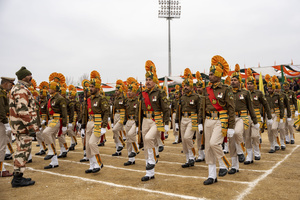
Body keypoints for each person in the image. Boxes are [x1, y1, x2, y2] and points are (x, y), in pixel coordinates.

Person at [199, 55, 234, 185]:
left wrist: (231, 126)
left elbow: (231, 108)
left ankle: (224, 164)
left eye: (212, 74)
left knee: (214, 143)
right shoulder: (206, 89)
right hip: (208, 119)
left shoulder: (226, 89)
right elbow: (202, 107)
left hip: (221, 119)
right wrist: (200, 122)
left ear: (218, 75)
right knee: (208, 148)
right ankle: (212, 176)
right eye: (209, 74)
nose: (210, 76)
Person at [140, 60, 169, 181]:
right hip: (145, 120)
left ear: (155, 81)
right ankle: (149, 173)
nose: (147, 82)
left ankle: (152, 160)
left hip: (156, 120)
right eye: (146, 80)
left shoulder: (160, 92)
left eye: (150, 80)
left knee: (148, 139)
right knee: (146, 146)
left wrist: (166, 124)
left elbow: (166, 109)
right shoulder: (143, 93)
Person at [9, 67, 38, 187]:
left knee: (22, 151)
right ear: (24, 77)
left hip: (20, 127)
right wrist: (31, 127)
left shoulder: (18, 88)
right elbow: (23, 111)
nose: (31, 77)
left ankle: (19, 175)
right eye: (29, 75)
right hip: (23, 127)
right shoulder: (21, 89)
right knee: (23, 151)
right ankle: (17, 179)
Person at [229, 65, 259, 171]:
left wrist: (255, 121)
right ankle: (234, 166)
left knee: (238, 133)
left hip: (243, 118)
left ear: (239, 81)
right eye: (231, 80)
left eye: (235, 80)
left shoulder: (245, 93)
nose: (233, 82)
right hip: (231, 118)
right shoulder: (228, 93)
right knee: (231, 143)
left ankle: (242, 152)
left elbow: (251, 108)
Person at [81, 71, 108, 173]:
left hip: (97, 122)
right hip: (89, 122)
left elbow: (106, 112)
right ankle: (92, 165)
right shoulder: (88, 99)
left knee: (92, 143)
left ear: (97, 88)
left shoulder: (102, 99)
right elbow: (85, 114)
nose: (90, 88)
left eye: (92, 87)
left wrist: (104, 126)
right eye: (90, 87)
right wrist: (83, 126)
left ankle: (98, 163)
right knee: (87, 145)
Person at [175, 68, 201, 168]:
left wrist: (199, 122)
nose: (185, 87)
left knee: (187, 137)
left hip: (193, 118)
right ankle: (187, 160)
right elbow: (178, 110)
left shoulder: (196, 97)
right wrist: (176, 121)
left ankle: (192, 156)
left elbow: (199, 110)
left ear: (191, 87)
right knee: (183, 141)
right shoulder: (182, 97)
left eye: (187, 86)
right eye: (184, 86)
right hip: (183, 119)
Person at [42, 72, 68, 169]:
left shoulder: (60, 99)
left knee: (45, 133)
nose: (48, 89)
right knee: (51, 139)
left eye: (50, 87)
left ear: (54, 89)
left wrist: (64, 124)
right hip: (51, 120)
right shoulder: (50, 98)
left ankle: (52, 151)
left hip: (57, 120)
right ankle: (54, 162)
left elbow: (64, 112)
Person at [246, 69, 272, 160]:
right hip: (245, 116)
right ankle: (249, 156)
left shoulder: (259, 93)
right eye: (248, 84)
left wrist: (269, 117)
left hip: (256, 116)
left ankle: (257, 152)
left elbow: (266, 105)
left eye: (251, 84)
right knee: (247, 137)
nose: (249, 85)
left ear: (254, 84)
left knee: (255, 135)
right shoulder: (244, 93)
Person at [265, 75, 284, 153]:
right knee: (269, 131)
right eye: (268, 88)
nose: (269, 90)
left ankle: (277, 142)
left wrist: (282, 117)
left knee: (273, 128)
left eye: (271, 88)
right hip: (268, 115)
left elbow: (282, 106)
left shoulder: (278, 96)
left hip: (276, 114)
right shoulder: (265, 96)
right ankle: (273, 146)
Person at [123, 77, 140, 166]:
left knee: (130, 135)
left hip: (134, 121)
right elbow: (126, 111)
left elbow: (138, 112)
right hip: (128, 121)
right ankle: (131, 159)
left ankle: (136, 149)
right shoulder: (127, 101)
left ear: (134, 92)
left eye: (130, 91)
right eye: (128, 91)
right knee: (128, 141)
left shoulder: (137, 101)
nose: (128, 92)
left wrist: (137, 123)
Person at [0, 77, 15, 177]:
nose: (11, 86)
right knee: (1, 146)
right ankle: (1, 169)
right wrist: (6, 123)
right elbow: (1, 109)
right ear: (5, 84)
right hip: (1, 121)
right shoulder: (1, 93)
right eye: (10, 84)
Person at [111, 80, 127, 156]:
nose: (116, 92)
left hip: (121, 115)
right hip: (116, 115)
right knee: (115, 135)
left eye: (117, 90)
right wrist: (112, 120)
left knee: (115, 130)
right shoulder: (116, 98)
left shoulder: (124, 98)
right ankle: (118, 151)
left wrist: (125, 118)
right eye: (115, 90)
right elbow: (113, 109)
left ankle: (121, 144)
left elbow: (127, 108)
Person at [282, 78, 298, 144]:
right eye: (284, 87)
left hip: (291, 109)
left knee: (290, 124)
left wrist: (296, 110)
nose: (286, 88)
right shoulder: (282, 93)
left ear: (289, 86)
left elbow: (295, 101)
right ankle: (287, 137)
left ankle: (292, 137)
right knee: (285, 124)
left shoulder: (292, 93)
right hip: (284, 109)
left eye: (287, 86)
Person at [194, 71, 205, 162]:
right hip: (198, 119)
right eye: (197, 87)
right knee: (198, 137)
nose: (198, 89)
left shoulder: (206, 96)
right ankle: (201, 154)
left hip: (208, 119)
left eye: (200, 87)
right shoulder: (196, 97)